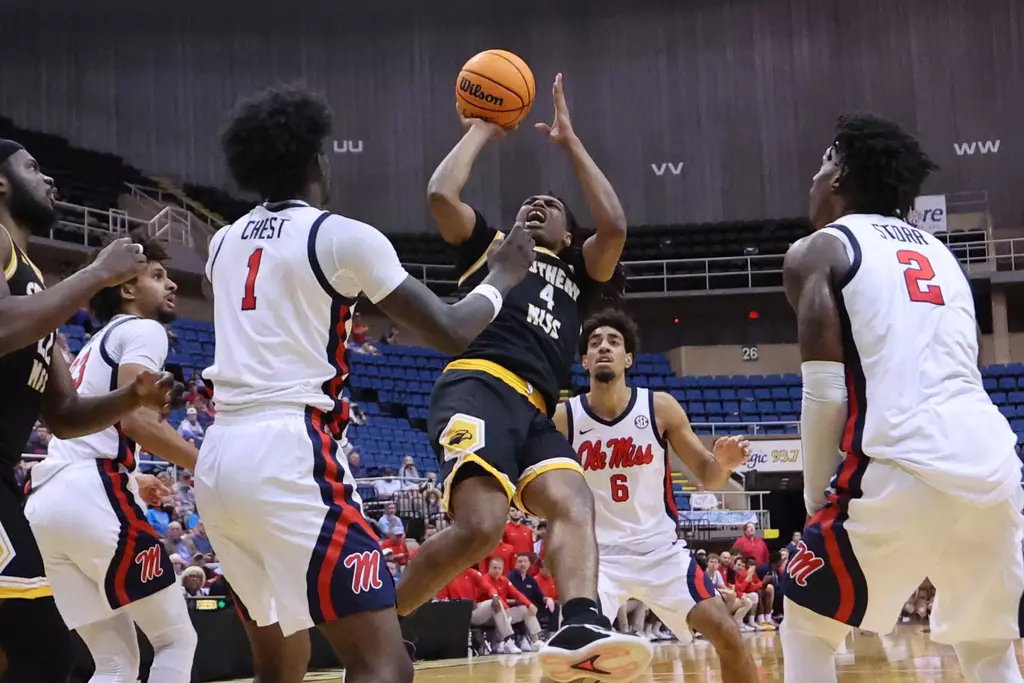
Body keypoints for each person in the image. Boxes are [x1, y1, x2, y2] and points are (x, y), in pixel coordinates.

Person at [194, 85, 533, 683]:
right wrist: (502, 276)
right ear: (314, 161)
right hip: (289, 450)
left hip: (219, 461)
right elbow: (453, 329)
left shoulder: (222, 242)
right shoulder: (341, 235)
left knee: (280, 661)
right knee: (383, 664)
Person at [395, 73, 643, 682]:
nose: (538, 205)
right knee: (481, 530)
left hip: (536, 407)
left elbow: (612, 226)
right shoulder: (492, 246)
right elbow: (440, 195)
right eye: (530, 203)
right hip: (478, 383)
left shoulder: (581, 272)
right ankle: (376, 615)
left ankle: (580, 622)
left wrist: (570, 143)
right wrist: (483, 126)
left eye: (552, 207)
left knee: (573, 500)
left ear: (567, 233)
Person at [779, 113, 1024, 683]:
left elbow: (825, 387)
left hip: (898, 463)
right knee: (987, 647)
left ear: (839, 174)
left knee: (807, 620)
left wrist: (817, 491)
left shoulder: (818, 250)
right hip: (993, 468)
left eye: (821, 167)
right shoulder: (945, 259)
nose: (814, 181)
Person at [0, 138, 174, 682]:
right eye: (32, 167)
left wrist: (131, 399)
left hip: (9, 479)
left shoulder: (38, 288)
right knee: (41, 649)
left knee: (41, 651)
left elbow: (64, 414)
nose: (48, 179)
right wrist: (97, 273)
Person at [25, 234, 201, 683]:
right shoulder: (144, 328)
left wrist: (135, 474)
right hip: (92, 492)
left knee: (115, 663)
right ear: (126, 288)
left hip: (47, 502)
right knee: (175, 640)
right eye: (158, 276)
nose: (172, 285)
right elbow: (138, 421)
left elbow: (101, 426)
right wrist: (209, 466)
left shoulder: (94, 344)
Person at [554, 309, 758, 682]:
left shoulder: (658, 406)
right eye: (595, 343)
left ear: (628, 358)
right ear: (584, 360)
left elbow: (708, 476)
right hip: (597, 558)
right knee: (572, 659)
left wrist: (724, 464)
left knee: (728, 634)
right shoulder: (564, 418)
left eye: (614, 342)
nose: (604, 347)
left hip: (661, 552)